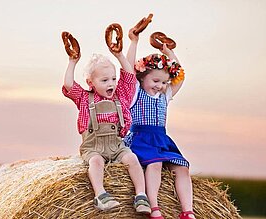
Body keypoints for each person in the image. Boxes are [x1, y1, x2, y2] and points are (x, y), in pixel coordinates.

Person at [62, 37, 151, 214]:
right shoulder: (84, 98)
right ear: (90, 83)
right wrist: (72, 62)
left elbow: (130, 77)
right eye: (104, 81)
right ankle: (100, 195)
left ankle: (141, 195)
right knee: (95, 162)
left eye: (113, 79)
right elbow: (69, 85)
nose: (111, 83)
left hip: (117, 145)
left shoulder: (121, 96)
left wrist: (119, 55)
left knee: (132, 159)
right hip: (93, 147)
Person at [125, 28, 195, 219]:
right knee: (154, 164)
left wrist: (168, 53)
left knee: (182, 167)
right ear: (142, 77)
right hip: (140, 138)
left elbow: (179, 75)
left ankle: (187, 211)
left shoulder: (165, 96)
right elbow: (128, 69)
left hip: (161, 139)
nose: (160, 86)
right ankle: (154, 207)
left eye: (164, 82)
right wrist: (134, 41)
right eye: (156, 80)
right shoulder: (136, 93)